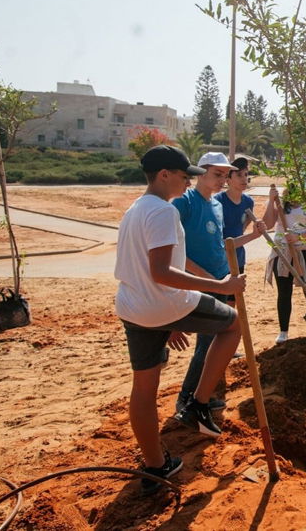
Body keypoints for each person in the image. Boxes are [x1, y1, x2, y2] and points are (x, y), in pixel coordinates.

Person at [114, 145, 244, 494]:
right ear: (163, 175)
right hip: (163, 303)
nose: (189, 181)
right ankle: (198, 404)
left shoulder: (135, 209)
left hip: (133, 307)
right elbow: (162, 273)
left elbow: (144, 269)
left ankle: (157, 465)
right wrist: (220, 285)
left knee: (143, 389)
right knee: (233, 325)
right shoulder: (163, 212)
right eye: (184, 175)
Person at [173, 152, 264, 417]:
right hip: (200, 283)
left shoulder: (215, 205)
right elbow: (176, 251)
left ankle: (198, 397)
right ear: (200, 172)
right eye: (217, 174)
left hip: (220, 282)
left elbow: (224, 245)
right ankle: (187, 401)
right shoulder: (184, 202)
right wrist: (211, 281)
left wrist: (251, 238)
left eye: (225, 175)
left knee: (212, 342)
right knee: (205, 345)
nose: (222, 180)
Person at [262, 181, 306, 343]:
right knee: (284, 292)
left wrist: (298, 237)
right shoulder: (279, 203)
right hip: (282, 251)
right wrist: (271, 201)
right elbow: (269, 224)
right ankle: (283, 331)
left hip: (304, 249)